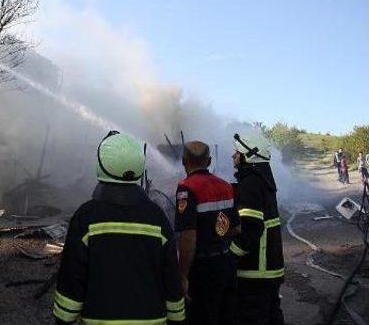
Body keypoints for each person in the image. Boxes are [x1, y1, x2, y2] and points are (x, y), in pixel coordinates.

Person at [53, 131, 186, 324]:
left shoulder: (86, 216)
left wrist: (64, 317)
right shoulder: (157, 217)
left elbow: (72, 276)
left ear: (101, 165)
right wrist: (177, 317)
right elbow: (171, 275)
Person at [175, 141, 239, 325]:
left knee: (202, 317)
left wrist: (183, 275)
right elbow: (236, 228)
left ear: (183, 161)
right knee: (226, 316)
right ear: (209, 161)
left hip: (202, 268)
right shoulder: (226, 186)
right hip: (226, 262)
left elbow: (188, 236)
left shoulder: (187, 188)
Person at [229, 134, 285, 325]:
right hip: (271, 268)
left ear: (248, 156)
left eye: (237, 152)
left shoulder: (250, 184)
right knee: (271, 316)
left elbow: (250, 231)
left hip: (255, 271)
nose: (233, 156)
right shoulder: (263, 180)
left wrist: (230, 255)